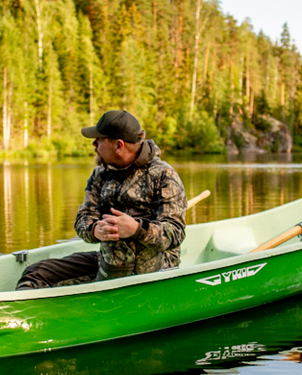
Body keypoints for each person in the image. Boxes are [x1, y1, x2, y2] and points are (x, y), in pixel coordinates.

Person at [16, 109, 186, 289]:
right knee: (36, 274)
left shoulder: (164, 175)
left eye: (99, 139)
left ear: (119, 146)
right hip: (110, 263)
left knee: (126, 262)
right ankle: (22, 314)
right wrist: (95, 229)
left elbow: (174, 233)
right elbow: (83, 219)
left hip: (154, 270)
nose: (94, 144)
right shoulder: (100, 175)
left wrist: (136, 229)